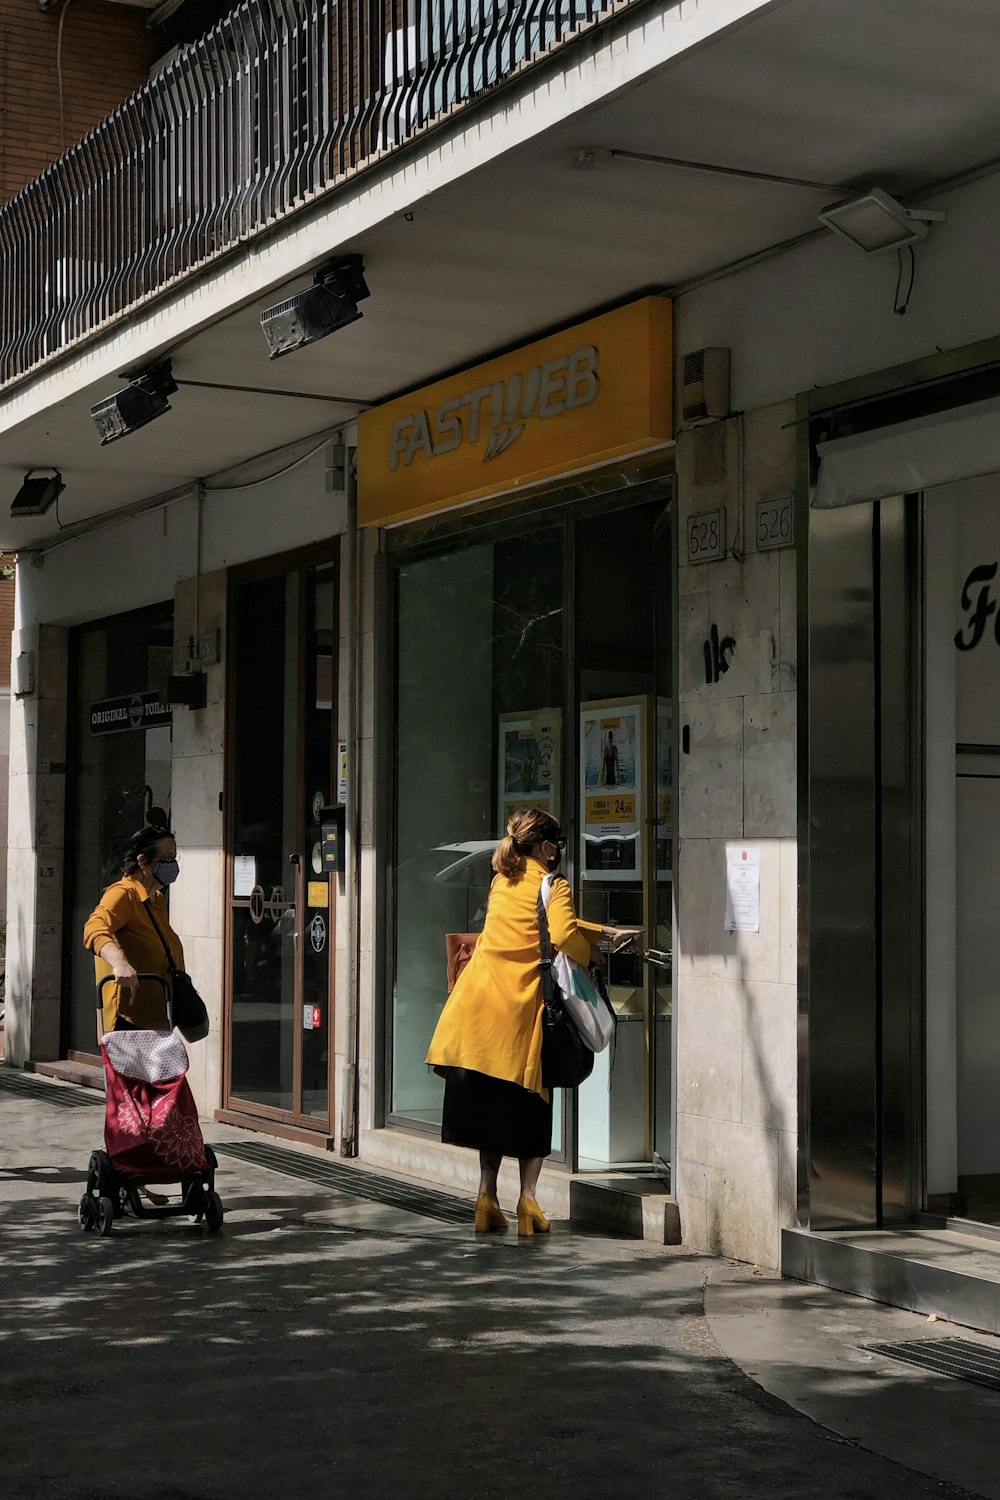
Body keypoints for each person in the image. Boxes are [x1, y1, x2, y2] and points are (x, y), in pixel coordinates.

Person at [426, 808, 641, 1236]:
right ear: (546, 846)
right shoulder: (553, 883)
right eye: (557, 844)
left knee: (490, 1107)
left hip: (476, 1012)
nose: (558, 851)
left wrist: (602, 930)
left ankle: (486, 1199)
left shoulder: (502, 879)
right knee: (533, 1108)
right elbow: (560, 935)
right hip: (521, 1013)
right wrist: (593, 953)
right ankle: (528, 1203)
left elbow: (539, 921)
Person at [84, 824, 184, 1037]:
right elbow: (95, 928)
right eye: (166, 858)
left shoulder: (155, 898)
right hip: (129, 1020)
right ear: (142, 861)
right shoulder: (123, 894)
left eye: (174, 857)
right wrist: (119, 963)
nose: (172, 864)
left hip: (157, 1017)